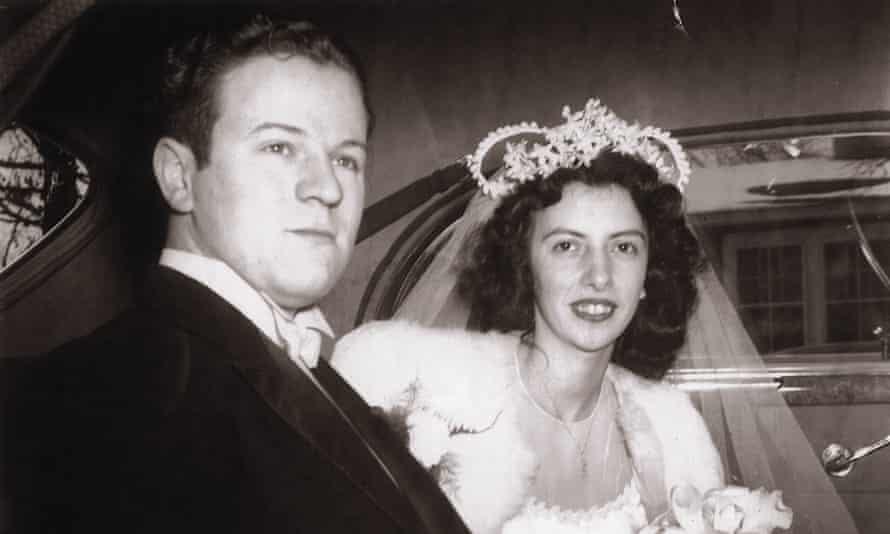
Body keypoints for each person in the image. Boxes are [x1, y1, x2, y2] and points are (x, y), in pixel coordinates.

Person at [1, 13, 469, 534]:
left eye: (346, 159)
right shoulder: (117, 393)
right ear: (179, 177)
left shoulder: (299, 365)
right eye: (278, 147)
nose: (328, 189)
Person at [332, 100, 797, 533]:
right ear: (524, 264)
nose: (599, 276)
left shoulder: (673, 426)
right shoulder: (418, 381)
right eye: (567, 246)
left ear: (649, 275)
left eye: (623, 247)